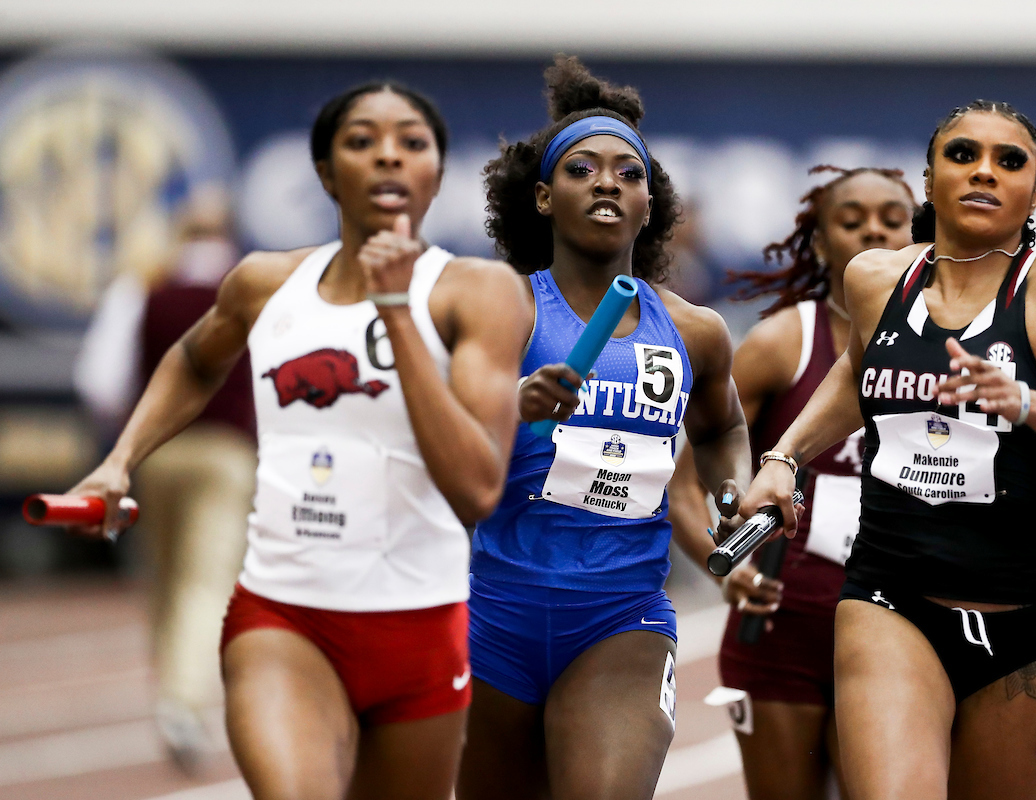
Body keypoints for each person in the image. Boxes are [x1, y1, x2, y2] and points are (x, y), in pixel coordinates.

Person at [66, 81, 532, 800]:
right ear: (325, 173)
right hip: (284, 617)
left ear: (436, 173)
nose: (388, 156)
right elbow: (194, 359)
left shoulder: (478, 292)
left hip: (421, 625)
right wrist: (119, 461)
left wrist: (395, 312)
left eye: (411, 142)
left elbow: (476, 489)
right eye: (361, 141)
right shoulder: (263, 283)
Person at [738, 100, 1036, 800]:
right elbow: (857, 371)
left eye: (1010, 161)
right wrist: (783, 458)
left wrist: (1032, 407)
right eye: (963, 154)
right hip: (888, 600)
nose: (984, 172)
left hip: (1018, 620)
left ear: (1035, 192)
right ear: (929, 179)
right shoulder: (876, 280)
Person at [457, 56, 752, 800]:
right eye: (582, 169)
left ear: (650, 203)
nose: (607, 183)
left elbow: (721, 430)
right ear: (542, 196)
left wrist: (732, 500)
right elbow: (442, 434)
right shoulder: (504, 309)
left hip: (623, 618)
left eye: (629, 173)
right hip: (494, 614)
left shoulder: (694, 331)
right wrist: (513, 403)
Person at [668, 165, 916, 800]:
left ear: (917, 235)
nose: (874, 231)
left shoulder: (951, 343)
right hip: (785, 631)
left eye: (893, 219)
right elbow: (684, 488)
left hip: (902, 629)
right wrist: (726, 567)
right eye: (852, 220)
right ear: (821, 243)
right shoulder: (783, 342)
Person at [74, 186, 257, 772]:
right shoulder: (251, 288)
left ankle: (172, 691)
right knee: (205, 579)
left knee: (162, 577)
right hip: (227, 452)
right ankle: (182, 701)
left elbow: (99, 380)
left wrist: (125, 441)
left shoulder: (143, 288)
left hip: (158, 452)